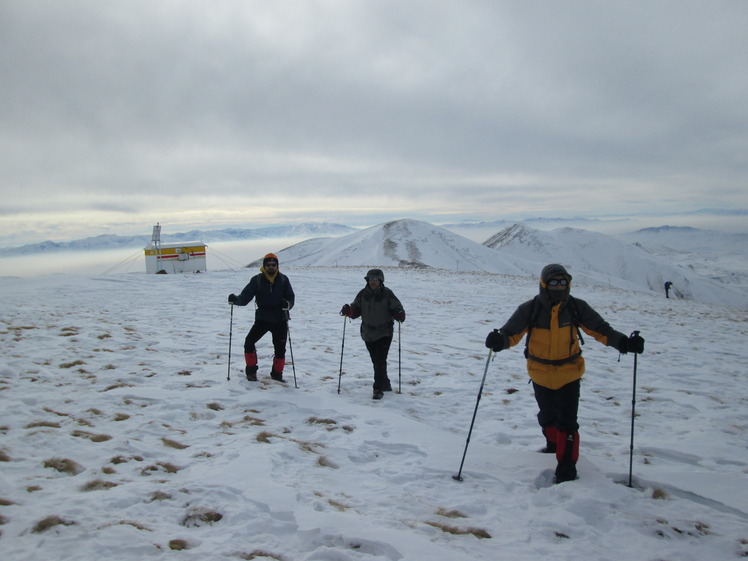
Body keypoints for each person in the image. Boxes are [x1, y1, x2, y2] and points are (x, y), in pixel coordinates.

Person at [485, 263, 644, 483]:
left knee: (568, 422)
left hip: (570, 373)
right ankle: (553, 446)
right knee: (547, 417)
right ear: (544, 284)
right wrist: (498, 341)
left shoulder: (577, 308)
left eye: (563, 282)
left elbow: (601, 330)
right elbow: (510, 334)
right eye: (553, 282)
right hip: (540, 372)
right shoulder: (529, 309)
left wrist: (625, 343)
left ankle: (567, 466)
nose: (558, 286)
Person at [340, 269, 406, 400]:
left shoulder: (387, 294)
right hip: (367, 332)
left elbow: (396, 309)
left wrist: (399, 314)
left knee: (380, 360)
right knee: (376, 360)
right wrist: (349, 311)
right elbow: (356, 310)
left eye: (375, 279)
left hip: (384, 332)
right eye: (370, 279)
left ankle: (378, 388)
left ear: (380, 280)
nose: (373, 282)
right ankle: (385, 382)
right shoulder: (363, 294)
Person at [228, 253, 295, 383]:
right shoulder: (257, 280)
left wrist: (287, 305)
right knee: (249, 342)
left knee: (280, 349)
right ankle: (251, 372)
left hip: (280, 319)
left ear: (277, 266)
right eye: (268, 265)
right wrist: (236, 300)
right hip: (262, 319)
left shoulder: (283, 280)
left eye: (273, 265)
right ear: (264, 266)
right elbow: (245, 296)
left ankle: (277, 374)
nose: (271, 267)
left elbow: (291, 297)